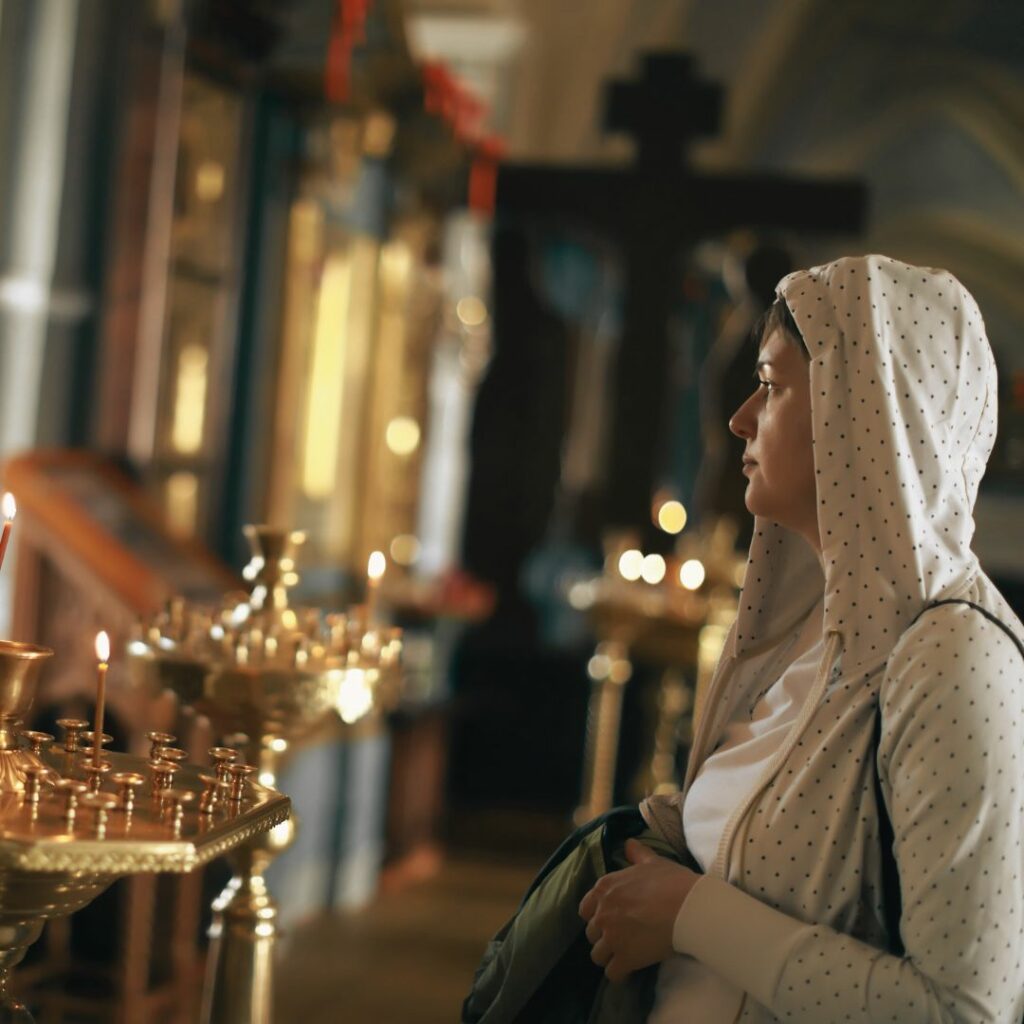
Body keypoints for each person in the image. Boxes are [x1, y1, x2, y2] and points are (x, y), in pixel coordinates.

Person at [579, 253, 1024, 1022]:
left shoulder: (953, 659)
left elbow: (964, 1011)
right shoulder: (817, 634)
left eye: (772, 385)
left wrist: (691, 913)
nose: (740, 417)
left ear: (867, 415)